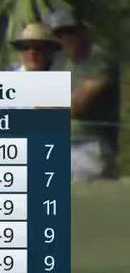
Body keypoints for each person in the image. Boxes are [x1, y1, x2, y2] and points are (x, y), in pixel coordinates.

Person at [49, 9, 121, 181]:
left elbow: (78, 104)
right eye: (58, 33)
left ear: (84, 32)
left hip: (90, 146)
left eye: (69, 31)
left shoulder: (99, 59)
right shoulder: (61, 64)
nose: (64, 37)